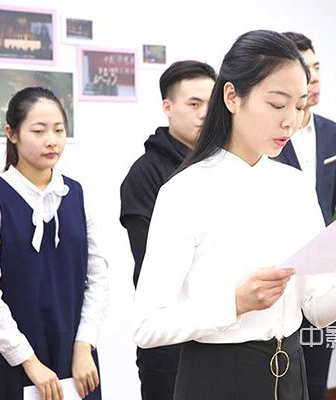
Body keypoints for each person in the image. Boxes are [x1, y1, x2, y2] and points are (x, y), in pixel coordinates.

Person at [133, 30, 336, 400]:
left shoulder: (295, 186)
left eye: (300, 106)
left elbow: (316, 309)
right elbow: (147, 326)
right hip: (217, 379)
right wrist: (236, 302)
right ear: (231, 97)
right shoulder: (185, 192)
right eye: (277, 104)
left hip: (290, 373)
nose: (291, 121)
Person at [0, 87, 109, 399]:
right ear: (12, 134)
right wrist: (28, 361)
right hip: (12, 359)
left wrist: (84, 346)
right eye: (39, 131)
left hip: (76, 361)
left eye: (59, 130)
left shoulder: (77, 194)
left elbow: (98, 277)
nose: (51, 140)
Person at [120, 60, 216, 400]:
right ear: (168, 107)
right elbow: (153, 263)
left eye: (211, 103)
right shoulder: (145, 174)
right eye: (194, 103)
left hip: (220, 329)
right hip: (168, 337)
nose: (205, 113)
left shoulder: (222, 165)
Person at [278, 31, 336, 400]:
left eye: (317, 67)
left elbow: (326, 205)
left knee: (317, 378)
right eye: (306, 69)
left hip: (323, 276)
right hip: (281, 279)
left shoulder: (335, 134)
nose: (314, 77)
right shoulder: (269, 137)